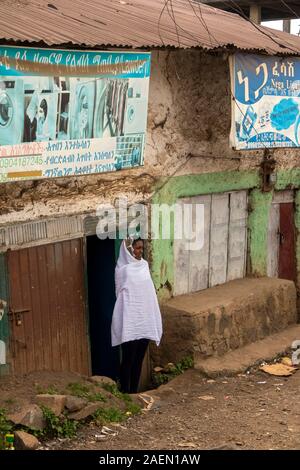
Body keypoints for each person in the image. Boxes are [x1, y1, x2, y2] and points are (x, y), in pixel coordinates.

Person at [111, 238, 162, 393]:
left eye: (142, 248)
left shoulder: (144, 266)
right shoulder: (123, 270)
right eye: (137, 248)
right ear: (129, 250)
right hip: (130, 322)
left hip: (144, 320)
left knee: (139, 359)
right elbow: (121, 296)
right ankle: (125, 392)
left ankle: (134, 392)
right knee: (128, 359)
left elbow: (149, 294)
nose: (140, 251)